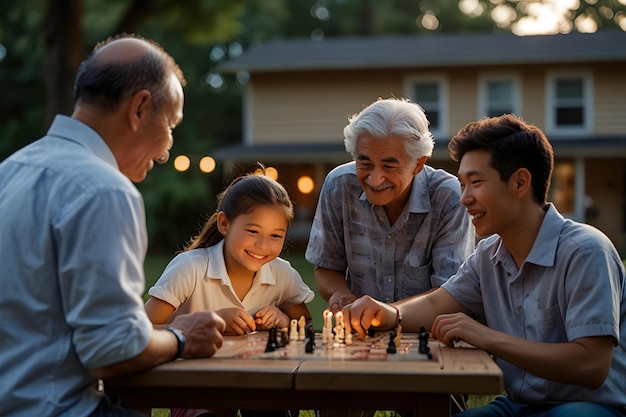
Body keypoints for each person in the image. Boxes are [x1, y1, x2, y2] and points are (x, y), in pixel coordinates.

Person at [0, 34, 226, 417]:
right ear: (139, 108)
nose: (167, 149)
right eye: (171, 124)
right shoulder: (104, 191)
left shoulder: (10, 171)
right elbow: (111, 350)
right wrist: (182, 336)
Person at [343, 114, 626, 417]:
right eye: (462, 185)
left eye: (475, 183)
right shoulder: (488, 253)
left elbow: (591, 366)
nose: (464, 199)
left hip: (592, 408)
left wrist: (486, 336)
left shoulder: (586, 251)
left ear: (520, 182)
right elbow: (440, 302)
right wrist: (391, 313)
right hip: (518, 406)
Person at [145, 172, 314, 417]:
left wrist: (285, 320)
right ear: (224, 224)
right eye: (253, 231)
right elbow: (142, 331)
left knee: (272, 406)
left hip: (258, 382)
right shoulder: (189, 268)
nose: (263, 245)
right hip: (195, 384)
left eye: (276, 235)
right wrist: (211, 322)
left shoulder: (281, 273)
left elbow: (306, 325)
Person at [305, 97, 475, 312]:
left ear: (418, 164)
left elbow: (450, 292)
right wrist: (341, 295)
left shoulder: (448, 197)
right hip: (360, 331)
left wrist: (389, 314)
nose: (374, 179)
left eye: (389, 166)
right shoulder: (338, 185)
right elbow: (326, 267)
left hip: (426, 333)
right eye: (364, 163)